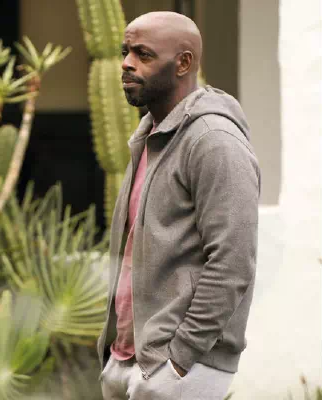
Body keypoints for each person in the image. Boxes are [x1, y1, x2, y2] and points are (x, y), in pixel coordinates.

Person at [98, 11, 260, 400]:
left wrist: (179, 359)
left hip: (179, 369)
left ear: (183, 63)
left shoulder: (213, 140)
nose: (127, 64)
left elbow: (233, 262)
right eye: (125, 52)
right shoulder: (150, 138)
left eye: (143, 54)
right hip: (128, 360)